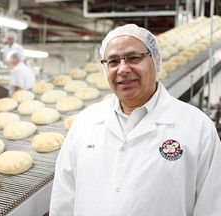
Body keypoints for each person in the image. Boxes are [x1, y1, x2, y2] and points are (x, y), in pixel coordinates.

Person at [49, 24, 221, 216]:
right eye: (113, 61)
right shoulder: (85, 123)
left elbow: (212, 206)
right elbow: (63, 200)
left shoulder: (197, 127)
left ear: (155, 60)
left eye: (133, 58)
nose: (122, 69)